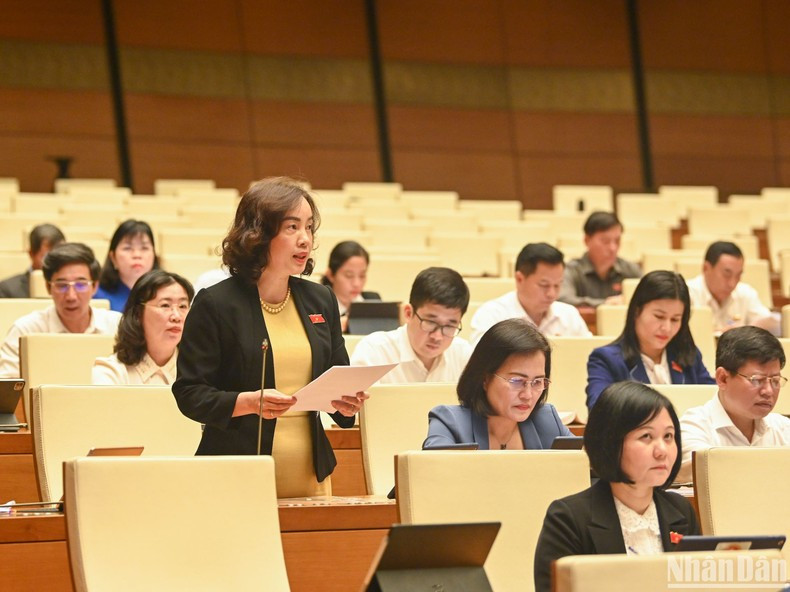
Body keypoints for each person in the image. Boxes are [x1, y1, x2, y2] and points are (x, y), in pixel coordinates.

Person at [172, 177, 366, 498]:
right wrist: (247, 402)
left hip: (309, 475)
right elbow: (190, 393)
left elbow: (336, 378)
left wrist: (346, 406)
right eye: (292, 227)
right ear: (257, 235)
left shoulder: (321, 300)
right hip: (235, 473)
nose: (305, 239)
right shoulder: (216, 303)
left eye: (309, 228)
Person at [534, 381, 700, 592]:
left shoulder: (680, 510)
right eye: (646, 436)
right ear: (609, 443)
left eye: (668, 436)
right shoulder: (569, 518)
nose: (662, 451)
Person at [423, 319, 571, 450]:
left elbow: (585, 467)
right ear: (485, 379)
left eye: (537, 382)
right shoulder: (449, 423)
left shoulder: (547, 420)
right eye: (517, 381)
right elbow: (434, 474)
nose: (528, 395)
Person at [586, 270, 715, 410]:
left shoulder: (689, 356)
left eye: (675, 319)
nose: (667, 328)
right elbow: (598, 411)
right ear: (636, 311)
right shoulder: (606, 360)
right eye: (659, 316)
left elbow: (714, 401)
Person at [678, 326, 790, 482]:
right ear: (723, 378)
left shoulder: (783, 429)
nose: (768, 391)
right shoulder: (694, 427)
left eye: (775, 381)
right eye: (757, 380)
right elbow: (701, 474)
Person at [0, 242, 122, 377]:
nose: (71, 296)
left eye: (81, 285)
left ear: (95, 286)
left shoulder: (117, 327)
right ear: (48, 287)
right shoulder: (25, 331)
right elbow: (8, 390)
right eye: (61, 285)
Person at [350, 266, 472, 384]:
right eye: (430, 322)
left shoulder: (464, 356)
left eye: (449, 326)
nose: (437, 336)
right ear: (408, 313)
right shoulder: (374, 352)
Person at [469, 242, 591, 344]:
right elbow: (480, 366)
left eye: (557, 285)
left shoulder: (569, 315)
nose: (552, 294)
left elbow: (590, 358)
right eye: (544, 285)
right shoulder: (492, 315)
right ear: (519, 279)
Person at [92, 270, 194, 385]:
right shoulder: (112, 372)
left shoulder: (199, 370)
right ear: (138, 313)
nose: (176, 316)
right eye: (165, 305)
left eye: (183, 306)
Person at [686, 241, 778, 335]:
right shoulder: (687, 293)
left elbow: (773, 323)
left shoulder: (745, 292)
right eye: (727, 274)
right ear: (706, 268)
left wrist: (747, 330)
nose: (732, 284)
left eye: (738, 275)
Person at [559, 211, 642, 307]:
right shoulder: (572, 270)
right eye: (605, 241)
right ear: (587, 240)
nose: (613, 248)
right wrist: (605, 304)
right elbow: (562, 300)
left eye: (617, 241)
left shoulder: (630, 269)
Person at [94, 219, 159, 312]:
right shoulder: (96, 294)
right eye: (127, 248)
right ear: (113, 257)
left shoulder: (165, 293)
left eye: (144, 248)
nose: (137, 255)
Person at [320, 240, 381, 332]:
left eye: (362, 275)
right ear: (331, 274)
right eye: (349, 275)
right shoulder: (319, 305)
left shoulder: (373, 300)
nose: (357, 283)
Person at [0, 223, 65, 298]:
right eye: (49, 257)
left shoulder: (72, 287)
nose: (56, 262)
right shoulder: (7, 290)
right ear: (31, 254)